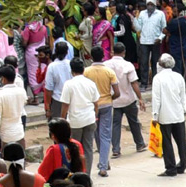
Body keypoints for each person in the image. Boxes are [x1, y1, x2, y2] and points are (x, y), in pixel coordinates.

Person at [58, 58, 101, 174]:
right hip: (89, 119)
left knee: (75, 149)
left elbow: (65, 105)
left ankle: (77, 174)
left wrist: (62, 120)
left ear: (72, 71)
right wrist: (95, 116)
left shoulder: (69, 84)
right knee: (88, 149)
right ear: (83, 69)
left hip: (75, 121)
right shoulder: (90, 83)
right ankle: (86, 174)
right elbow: (96, 103)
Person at [106, 43, 146, 157]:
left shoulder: (106, 65)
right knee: (134, 122)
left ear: (113, 51)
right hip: (128, 99)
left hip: (114, 100)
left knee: (115, 125)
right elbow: (134, 83)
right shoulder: (128, 65)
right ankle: (140, 144)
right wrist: (140, 98)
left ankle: (116, 149)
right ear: (124, 52)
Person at [151, 54, 186, 177]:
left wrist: (155, 116)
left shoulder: (158, 78)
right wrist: (184, 109)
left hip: (164, 115)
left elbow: (156, 99)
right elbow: (183, 95)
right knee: (181, 142)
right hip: (178, 114)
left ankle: (171, 168)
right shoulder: (178, 77)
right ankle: (182, 165)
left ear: (160, 65)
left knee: (167, 143)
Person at [84, 46, 119, 176]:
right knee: (105, 135)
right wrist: (110, 98)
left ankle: (103, 161)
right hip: (106, 104)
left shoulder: (86, 72)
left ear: (91, 57)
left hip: (93, 106)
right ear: (103, 56)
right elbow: (117, 92)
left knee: (97, 134)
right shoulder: (109, 71)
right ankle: (103, 165)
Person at [0, 65, 27, 148]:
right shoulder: (22, 92)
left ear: (3, 79)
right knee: (20, 159)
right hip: (19, 133)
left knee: (6, 160)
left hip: (5, 137)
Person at [135, 0, 167, 88]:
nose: (150, 6)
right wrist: (134, 19)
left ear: (154, 5)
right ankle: (144, 83)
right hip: (144, 41)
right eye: (148, 4)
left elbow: (164, 28)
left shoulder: (160, 14)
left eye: (151, 4)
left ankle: (155, 82)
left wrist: (160, 38)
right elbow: (138, 28)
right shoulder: (142, 13)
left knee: (155, 62)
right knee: (144, 62)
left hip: (155, 41)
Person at [20, 17, 48, 101]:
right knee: (43, 72)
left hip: (31, 52)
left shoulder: (28, 29)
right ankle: (45, 96)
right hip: (42, 52)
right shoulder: (43, 28)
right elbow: (46, 40)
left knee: (32, 74)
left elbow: (24, 43)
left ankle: (35, 97)